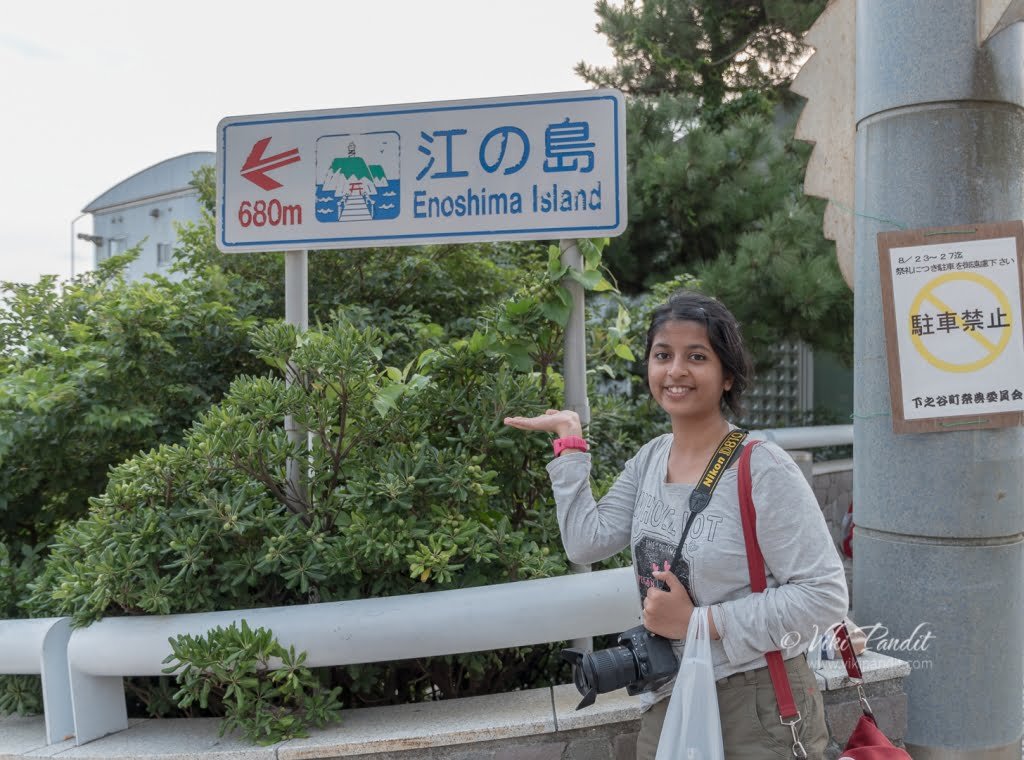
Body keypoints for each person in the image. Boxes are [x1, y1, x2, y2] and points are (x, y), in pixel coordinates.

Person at [504, 291, 848, 759]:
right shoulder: (651, 458)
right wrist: (570, 444)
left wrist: (699, 622)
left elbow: (823, 595)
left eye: (697, 357)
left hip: (755, 700)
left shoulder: (761, 468)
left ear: (728, 375)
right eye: (663, 355)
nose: (676, 371)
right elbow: (586, 542)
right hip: (669, 692)